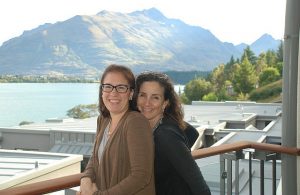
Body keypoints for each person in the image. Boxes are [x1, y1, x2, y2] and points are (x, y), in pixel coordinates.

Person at [78, 65, 155, 195]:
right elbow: (95, 157)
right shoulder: (103, 120)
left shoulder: (135, 122)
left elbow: (141, 176)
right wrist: (86, 178)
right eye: (108, 86)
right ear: (102, 91)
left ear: (130, 93)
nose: (113, 93)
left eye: (121, 87)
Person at [134, 71, 211, 195]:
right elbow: (191, 133)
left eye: (155, 97)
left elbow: (198, 184)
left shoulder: (165, 135)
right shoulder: (160, 125)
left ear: (165, 103)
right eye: (142, 95)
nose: (147, 103)